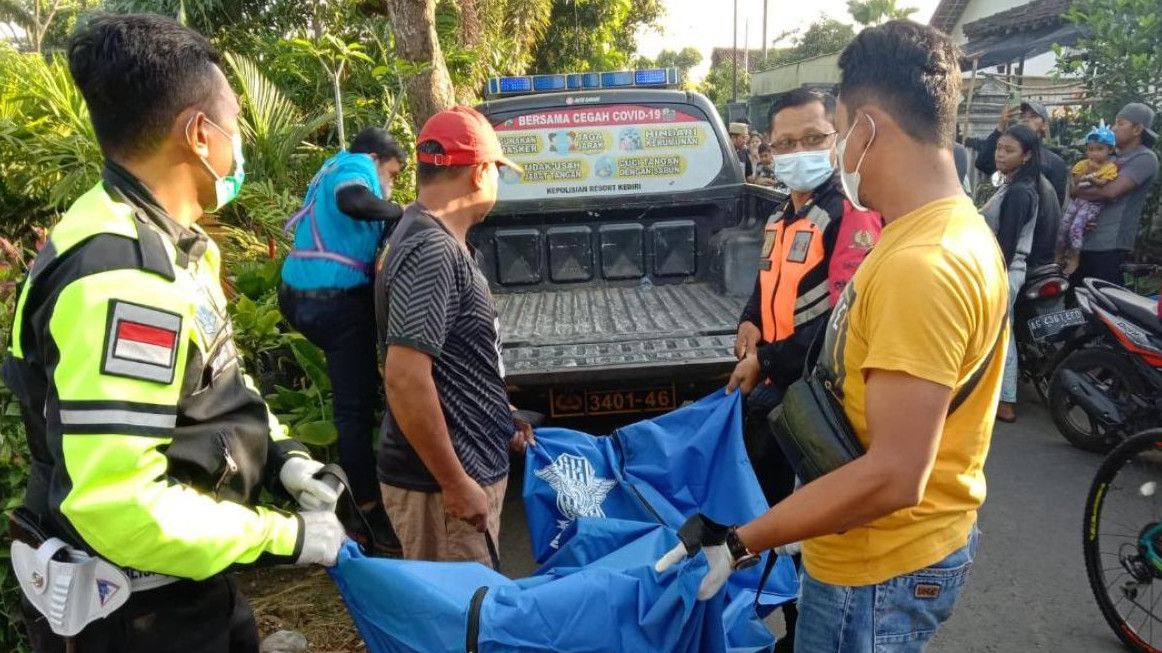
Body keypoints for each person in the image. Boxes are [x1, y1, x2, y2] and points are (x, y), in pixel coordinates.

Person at [655, 21, 1008, 651]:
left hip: (876, 571)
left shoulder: (919, 264)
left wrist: (742, 542)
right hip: (885, 550)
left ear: (866, 129)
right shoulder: (943, 231)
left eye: (839, 134)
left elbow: (895, 474)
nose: (837, 154)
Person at [2, 15, 345, 652]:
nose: (239, 144)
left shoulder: (164, 244)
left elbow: (213, 388)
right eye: (235, 126)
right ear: (198, 134)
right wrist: (283, 537)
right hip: (138, 616)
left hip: (183, 589)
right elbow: (117, 503)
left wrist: (281, 455)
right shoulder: (124, 278)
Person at [726, 87, 882, 651]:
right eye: (785, 142)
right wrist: (748, 324)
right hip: (774, 397)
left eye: (813, 138)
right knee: (768, 519)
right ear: (767, 150)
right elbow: (767, 287)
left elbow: (838, 325)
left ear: (837, 138)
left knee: (812, 527)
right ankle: (782, 617)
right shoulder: (781, 216)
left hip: (819, 405)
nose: (799, 151)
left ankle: (805, 629)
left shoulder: (850, 217)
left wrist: (765, 359)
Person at [374, 107, 535, 564]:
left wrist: (497, 416)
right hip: (440, 494)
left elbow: (448, 364)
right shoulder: (432, 250)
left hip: (457, 476)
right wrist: (453, 482)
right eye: (497, 171)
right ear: (481, 172)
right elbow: (405, 378)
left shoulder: (435, 238)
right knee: (459, 628)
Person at [279, 126, 407, 553]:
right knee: (354, 412)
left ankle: (359, 499)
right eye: (391, 173)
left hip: (300, 294)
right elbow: (352, 201)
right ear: (375, 159)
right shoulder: (355, 166)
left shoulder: (327, 167)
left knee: (354, 401)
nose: (389, 184)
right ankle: (368, 515)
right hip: (333, 300)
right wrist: (400, 211)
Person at [979, 124, 1042, 423]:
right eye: (999, 148)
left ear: (1026, 155)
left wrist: (993, 276)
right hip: (1003, 268)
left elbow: (1007, 243)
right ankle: (1001, 396)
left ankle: (1005, 400)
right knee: (1002, 333)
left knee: (1001, 335)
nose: (1000, 155)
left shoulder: (1019, 192)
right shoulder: (1013, 184)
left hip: (1004, 269)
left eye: (1009, 150)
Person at [1073, 102, 1160, 286]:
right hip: (1085, 239)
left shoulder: (1144, 158)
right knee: (1078, 300)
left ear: (1137, 129)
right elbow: (1074, 187)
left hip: (1110, 244)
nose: (1113, 128)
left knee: (1104, 300)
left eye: (1120, 123)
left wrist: (1080, 191)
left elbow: (1111, 192)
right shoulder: (1108, 157)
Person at [974, 99, 1068, 206]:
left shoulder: (1054, 162)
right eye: (1023, 116)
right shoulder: (1010, 158)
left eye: (1033, 116)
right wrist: (1000, 127)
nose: (1026, 120)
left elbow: (1054, 205)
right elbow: (983, 163)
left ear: (1044, 126)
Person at [1058, 123, 1119, 275]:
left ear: (1110, 150)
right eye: (1091, 150)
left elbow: (1103, 185)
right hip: (1077, 201)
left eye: (1099, 149)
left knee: (1075, 229)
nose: (1094, 154)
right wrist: (1087, 172)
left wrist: (1092, 177)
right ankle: (1058, 254)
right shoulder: (1082, 164)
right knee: (1063, 226)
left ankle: (1074, 258)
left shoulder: (1110, 167)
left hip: (1092, 205)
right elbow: (1076, 182)